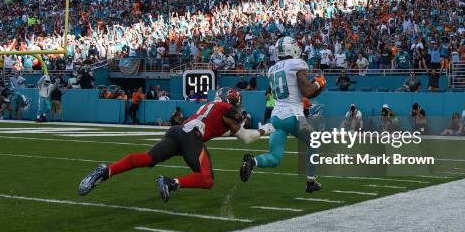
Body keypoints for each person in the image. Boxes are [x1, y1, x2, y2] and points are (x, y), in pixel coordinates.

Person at [78, 88, 274, 202]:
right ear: (232, 102)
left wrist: (251, 129)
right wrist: (266, 130)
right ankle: (171, 183)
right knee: (207, 179)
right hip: (191, 138)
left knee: (147, 159)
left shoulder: (211, 106)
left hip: (177, 132)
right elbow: (246, 138)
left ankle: (105, 171)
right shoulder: (226, 108)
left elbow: (229, 131)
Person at [240, 36, 326, 193]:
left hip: (276, 117)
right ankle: (310, 181)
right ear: (291, 48)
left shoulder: (272, 69)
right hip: (293, 115)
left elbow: (302, 93)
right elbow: (307, 91)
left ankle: (253, 161)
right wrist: (318, 83)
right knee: (315, 143)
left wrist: (317, 87)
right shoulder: (297, 63)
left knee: (275, 157)